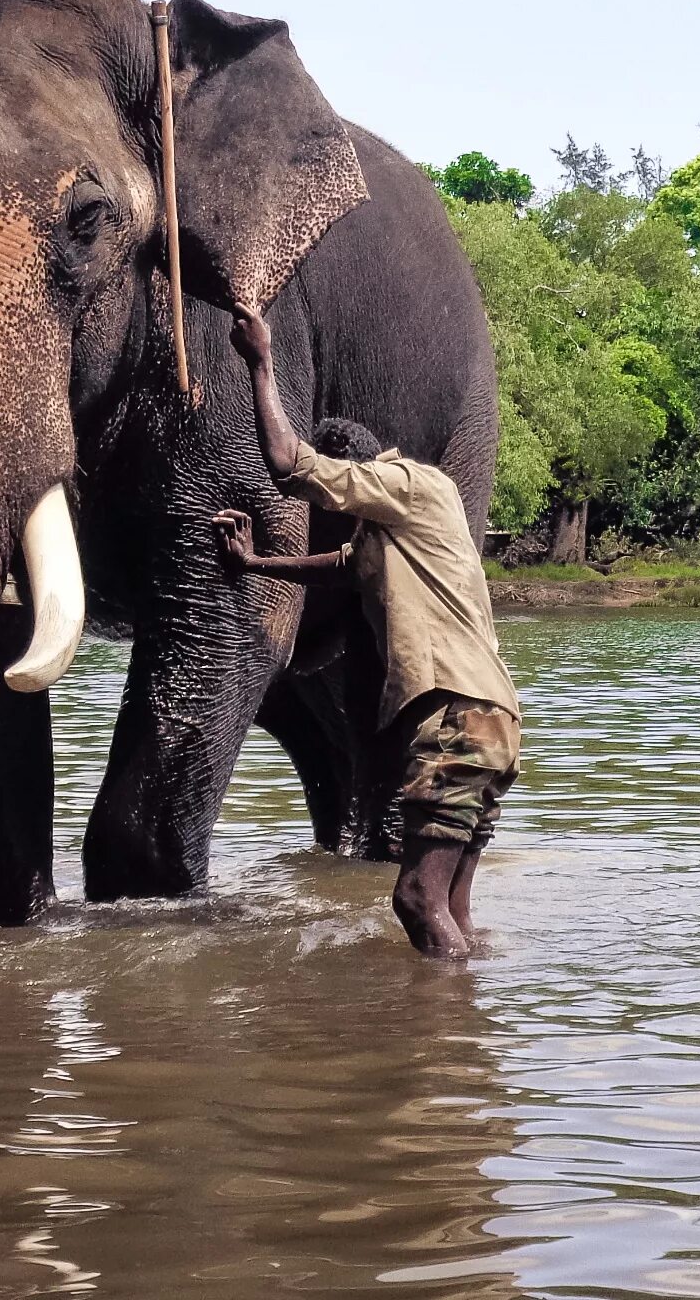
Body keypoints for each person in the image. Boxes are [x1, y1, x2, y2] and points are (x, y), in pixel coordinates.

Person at [212, 302, 518, 958]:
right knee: (454, 909)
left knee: (414, 899)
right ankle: (466, 1038)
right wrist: (256, 561)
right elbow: (337, 567)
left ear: (358, 481)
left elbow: (289, 462)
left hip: (455, 719)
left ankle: (429, 1044)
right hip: (492, 723)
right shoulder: (397, 534)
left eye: (339, 498)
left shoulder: (412, 486)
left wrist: (262, 363)